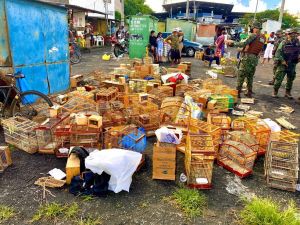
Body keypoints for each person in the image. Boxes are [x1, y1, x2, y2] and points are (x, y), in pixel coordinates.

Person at [226, 21, 266, 98]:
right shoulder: (263, 37)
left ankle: (237, 93)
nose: (251, 29)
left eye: (252, 27)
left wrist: (232, 43)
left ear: (254, 28)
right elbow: (258, 47)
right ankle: (249, 92)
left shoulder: (253, 35)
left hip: (247, 58)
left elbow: (243, 44)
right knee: (250, 76)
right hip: (255, 58)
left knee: (241, 74)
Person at [272, 28, 300, 99]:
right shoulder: (284, 42)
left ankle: (287, 93)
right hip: (283, 64)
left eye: (295, 34)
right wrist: (282, 61)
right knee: (279, 79)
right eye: (292, 34)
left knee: (290, 79)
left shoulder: (297, 43)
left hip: (292, 64)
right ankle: (275, 92)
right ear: (289, 34)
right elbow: (278, 53)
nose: (294, 35)